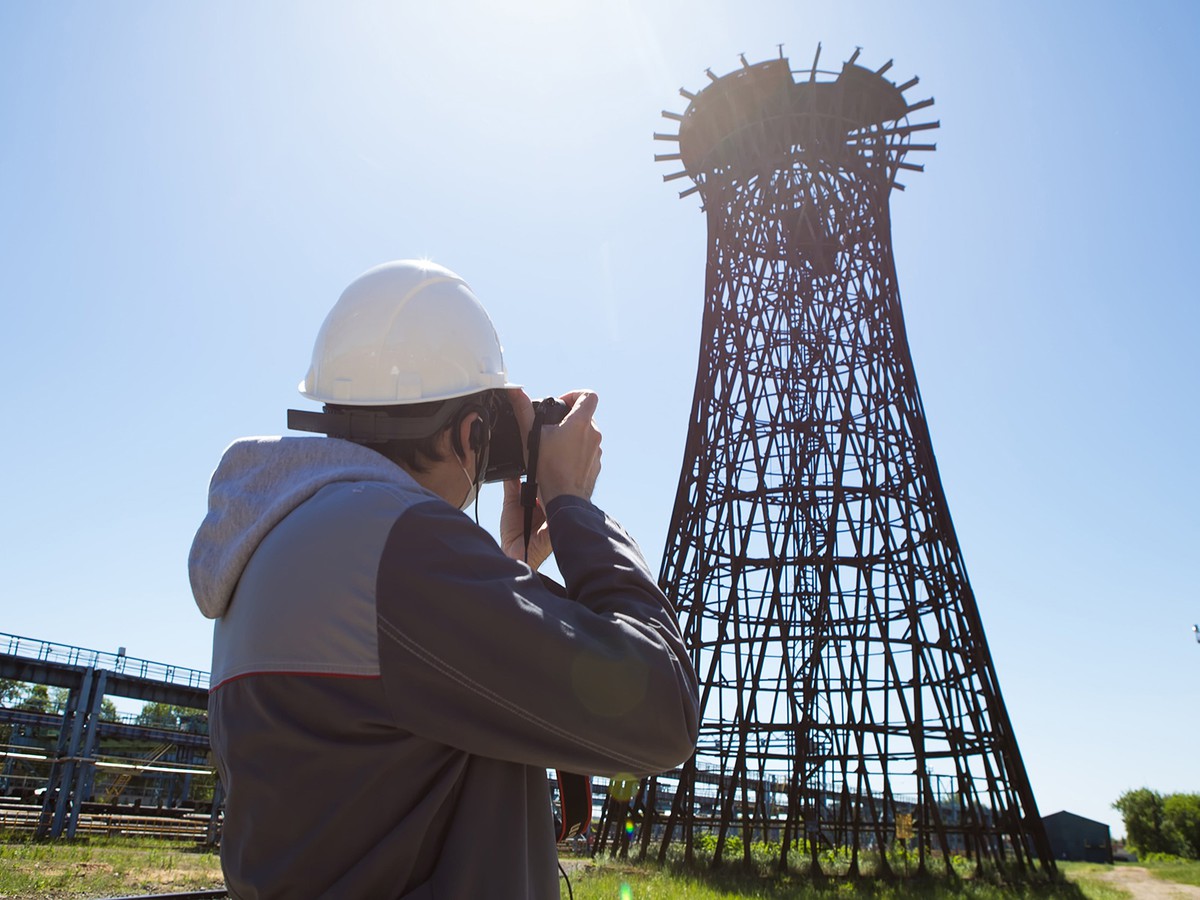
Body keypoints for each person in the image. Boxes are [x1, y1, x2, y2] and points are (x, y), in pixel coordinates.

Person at [188, 260, 700, 898]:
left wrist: (509, 573)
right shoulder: (401, 544)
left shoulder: (272, 539)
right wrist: (574, 505)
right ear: (471, 433)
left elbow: (397, 751)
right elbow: (662, 709)